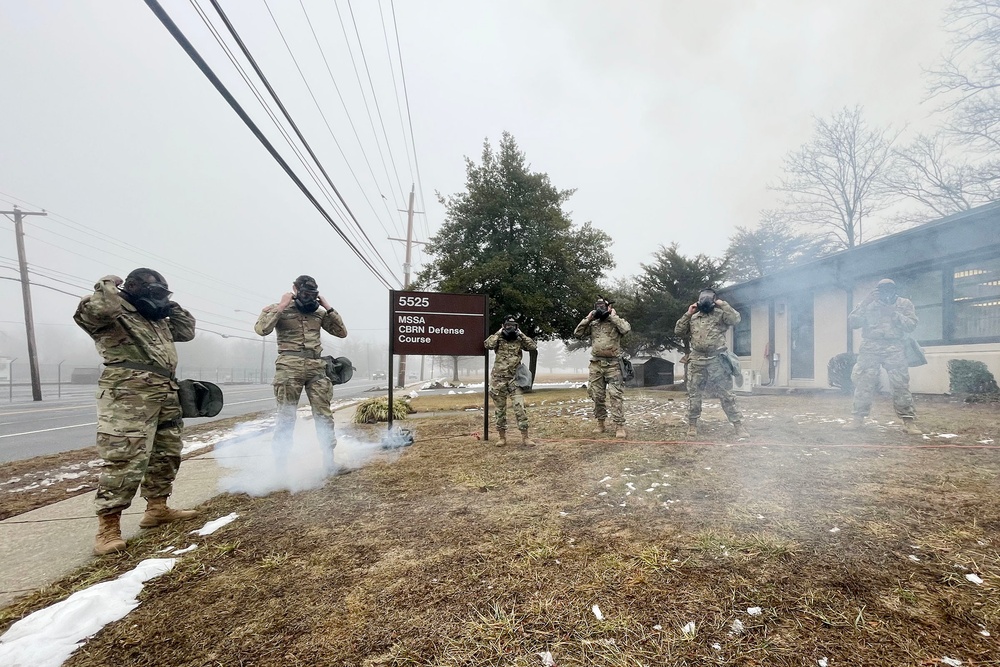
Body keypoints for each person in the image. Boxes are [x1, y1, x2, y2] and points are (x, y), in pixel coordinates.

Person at [73, 269, 199, 556]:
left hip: (165, 391)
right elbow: (102, 308)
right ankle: (108, 528)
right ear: (132, 288)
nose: (159, 300)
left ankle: (157, 509)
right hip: (128, 393)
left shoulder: (157, 319)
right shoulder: (111, 312)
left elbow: (187, 330)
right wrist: (106, 283)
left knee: (166, 454)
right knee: (124, 459)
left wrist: (168, 304)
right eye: (154, 293)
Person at [255, 275, 347, 473]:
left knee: (324, 415)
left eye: (312, 294)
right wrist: (281, 306)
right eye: (305, 293)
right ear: (295, 289)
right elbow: (262, 329)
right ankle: (281, 468)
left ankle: (329, 463)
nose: (308, 297)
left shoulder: (319, 313)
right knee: (286, 417)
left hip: (316, 366)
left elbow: (341, 332)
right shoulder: (279, 308)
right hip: (289, 366)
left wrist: (328, 307)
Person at [843, 278, 921, 434]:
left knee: (900, 384)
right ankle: (857, 419)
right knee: (864, 383)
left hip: (894, 347)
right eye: (882, 289)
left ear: (895, 290)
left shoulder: (903, 304)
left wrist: (894, 314)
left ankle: (908, 421)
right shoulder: (868, 303)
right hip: (870, 347)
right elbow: (852, 323)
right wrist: (865, 303)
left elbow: (911, 325)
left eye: (889, 289)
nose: (885, 292)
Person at [674, 288, 749, 439]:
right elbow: (678, 331)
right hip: (697, 360)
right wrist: (688, 313)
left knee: (726, 394)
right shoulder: (694, 318)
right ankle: (692, 425)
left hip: (717, 360)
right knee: (694, 395)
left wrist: (723, 304)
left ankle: (738, 425)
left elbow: (736, 320)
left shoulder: (721, 315)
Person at [574, 297, 631, 439]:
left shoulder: (615, 322)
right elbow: (578, 333)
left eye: (602, 306)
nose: (600, 309)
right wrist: (588, 318)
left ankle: (619, 426)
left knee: (615, 395)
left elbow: (625, 329)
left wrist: (613, 316)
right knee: (597, 395)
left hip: (613, 365)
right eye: (597, 306)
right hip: (596, 364)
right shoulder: (593, 324)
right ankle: (601, 423)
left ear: (608, 307)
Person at [484, 316, 538, 447]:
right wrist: (499, 332)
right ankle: (502, 437)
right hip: (499, 379)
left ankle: (525, 437)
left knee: (520, 408)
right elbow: (488, 344)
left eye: (513, 325)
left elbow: (532, 346)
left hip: (514, 379)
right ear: (504, 325)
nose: (510, 328)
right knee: (500, 410)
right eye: (508, 325)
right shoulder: (499, 338)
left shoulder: (519, 338)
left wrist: (521, 333)